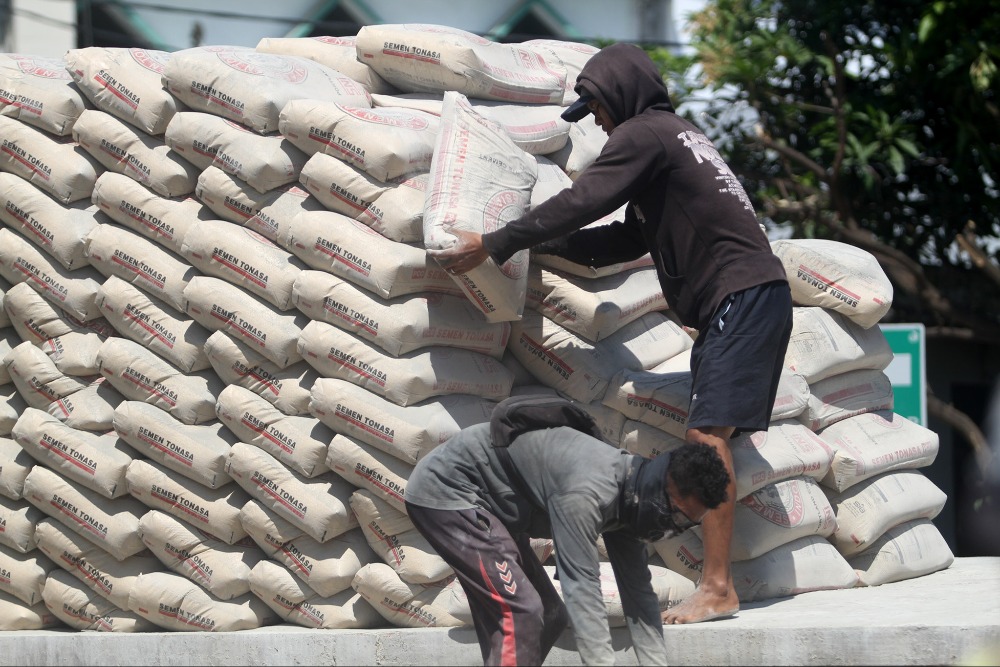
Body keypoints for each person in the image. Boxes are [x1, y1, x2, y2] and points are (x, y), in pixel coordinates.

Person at [427, 42, 794, 626]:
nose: (596, 122)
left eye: (596, 108)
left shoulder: (643, 134)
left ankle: (720, 586)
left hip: (739, 296)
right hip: (752, 295)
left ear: (621, 95)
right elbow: (620, 241)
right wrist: (536, 247)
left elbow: (584, 199)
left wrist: (497, 243)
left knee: (705, 437)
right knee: (712, 433)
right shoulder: (674, 137)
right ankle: (720, 577)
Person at [404, 401, 731, 666]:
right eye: (675, 516)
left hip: (497, 508)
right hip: (449, 493)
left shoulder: (634, 500)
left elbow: (638, 596)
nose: (672, 529)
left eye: (684, 525)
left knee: (551, 613)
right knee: (522, 612)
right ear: (665, 490)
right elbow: (582, 586)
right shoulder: (588, 492)